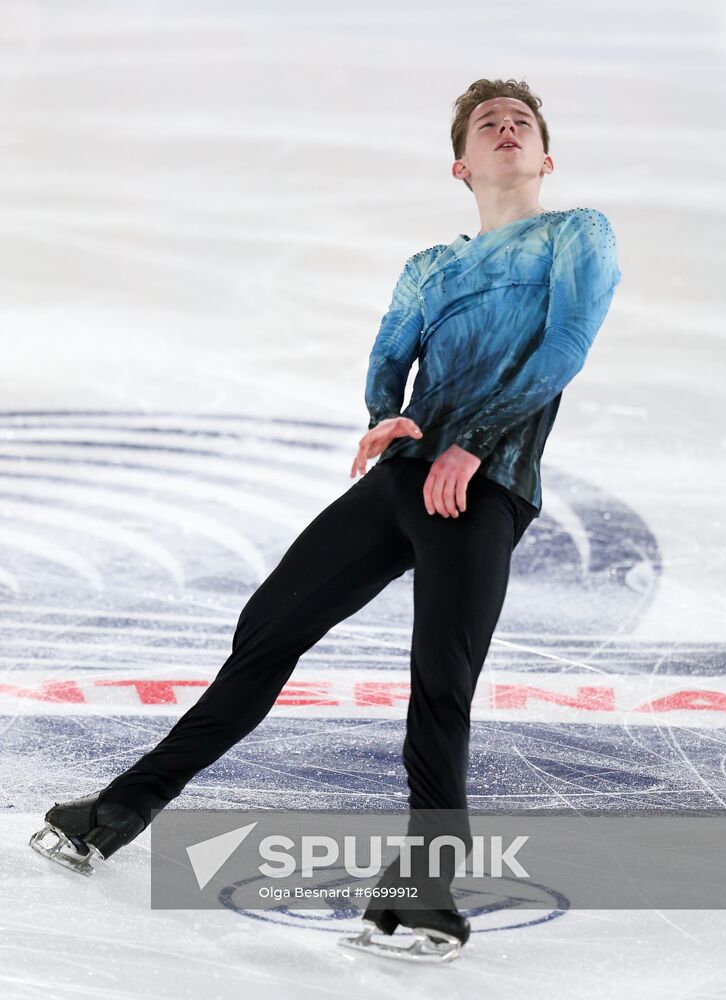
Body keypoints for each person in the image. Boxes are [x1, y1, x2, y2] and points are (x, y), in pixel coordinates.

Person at [29, 78, 622, 964]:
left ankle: (426, 899)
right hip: (405, 475)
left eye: (521, 123)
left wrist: (477, 447)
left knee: (439, 684)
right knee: (265, 631)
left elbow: (565, 348)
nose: (506, 129)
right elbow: (390, 353)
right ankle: (114, 812)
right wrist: (387, 413)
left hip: (484, 489)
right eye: (487, 124)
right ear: (461, 164)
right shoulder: (430, 266)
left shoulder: (578, 234)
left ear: (545, 157)